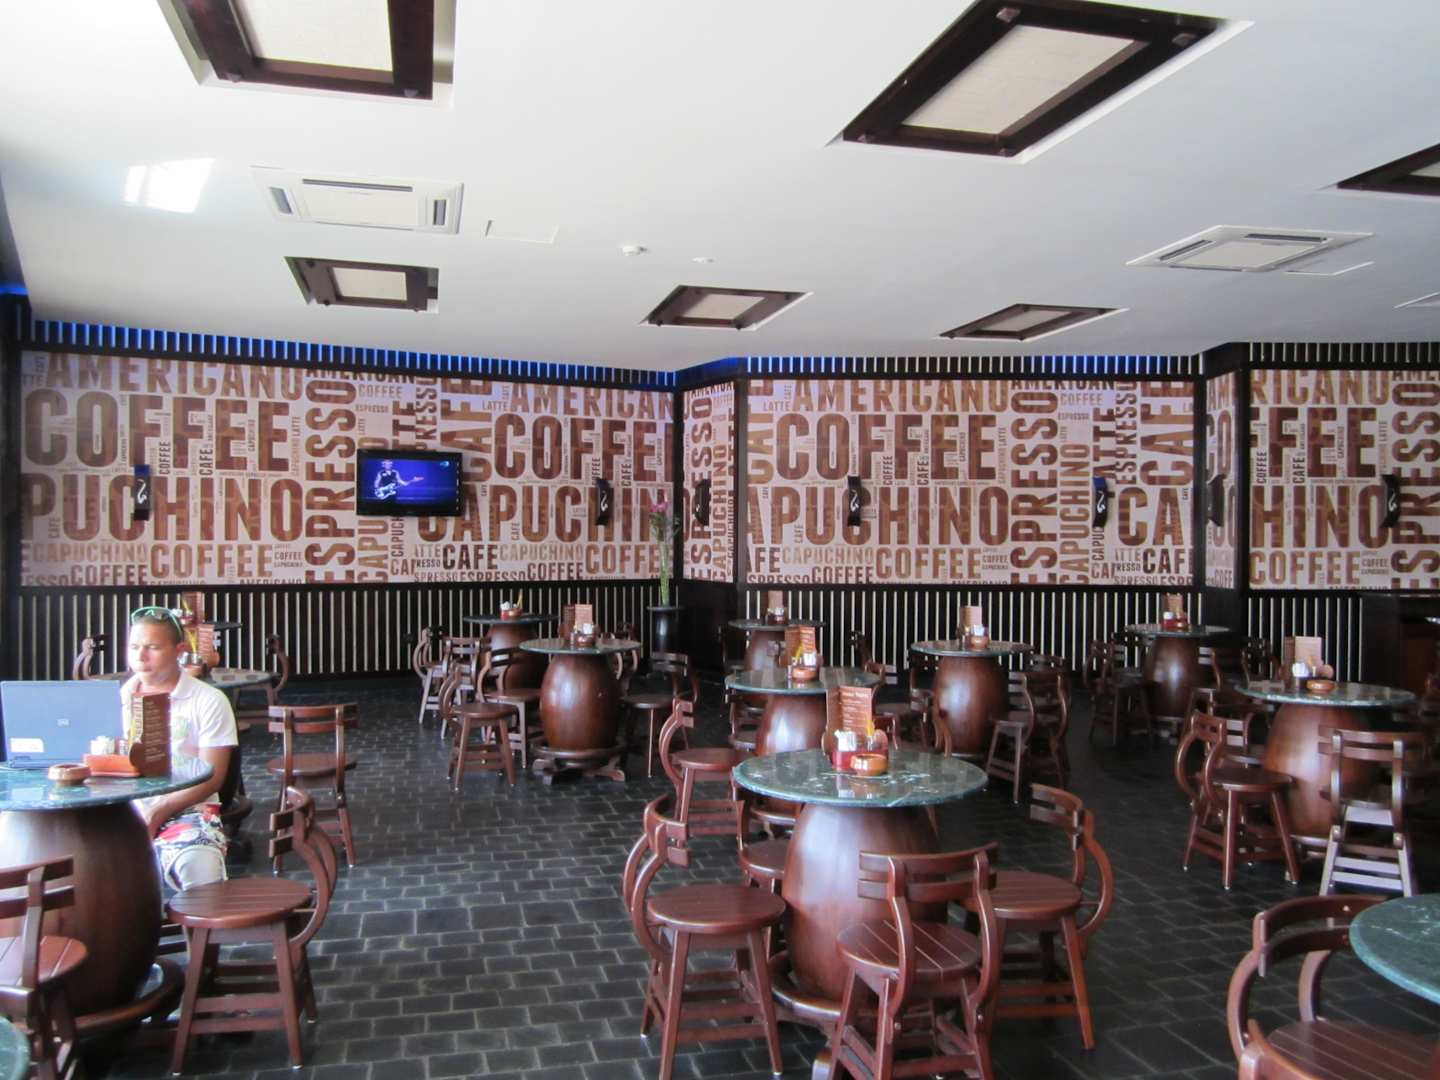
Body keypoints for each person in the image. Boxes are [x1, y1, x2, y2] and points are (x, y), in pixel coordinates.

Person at [121, 606, 238, 889]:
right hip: (123, 811)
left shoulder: (207, 700)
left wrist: (159, 810)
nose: (141, 656)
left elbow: (213, 777)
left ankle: (201, 919)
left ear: (179, 650)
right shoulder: (117, 698)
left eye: (152, 647)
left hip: (188, 809)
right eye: (134, 647)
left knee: (199, 866)